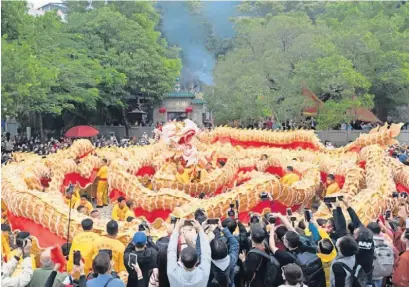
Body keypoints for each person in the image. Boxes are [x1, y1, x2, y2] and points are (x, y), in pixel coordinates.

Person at [167, 219, 211, 287]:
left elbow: (171, 250)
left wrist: (177, 228)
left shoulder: (172, 273)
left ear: (180, 260)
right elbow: (206, 252)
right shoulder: (204, 273)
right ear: (197, 261)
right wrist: (200, 230)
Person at [196, 221, 239, 286]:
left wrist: (201, 230)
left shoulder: (207, 263)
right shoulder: (232, 259)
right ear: (226, 250)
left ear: (210, 253)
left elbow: (198, 249)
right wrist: (222, 228)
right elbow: (235, 244)